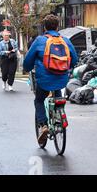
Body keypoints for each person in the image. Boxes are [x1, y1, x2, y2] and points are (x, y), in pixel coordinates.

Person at [24, 15, 78, 145]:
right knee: (57, 93)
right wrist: (66, 68)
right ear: (58, 26)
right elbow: (74, 59)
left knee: (39, 100)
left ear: (44, 27)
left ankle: (43, 125)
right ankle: (59, 116)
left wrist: (28, 68)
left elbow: (27, 61)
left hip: (44, 79)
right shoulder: (65, 40)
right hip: (61, 78)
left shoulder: (39, 40)